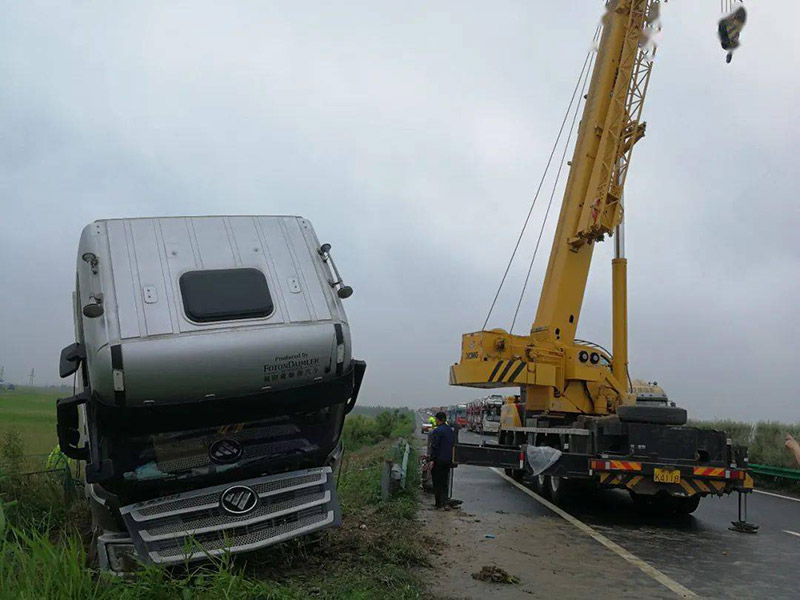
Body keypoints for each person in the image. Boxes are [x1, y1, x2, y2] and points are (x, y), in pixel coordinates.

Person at [429, 411, 455, 509]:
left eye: (436, 419)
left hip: (439, 460)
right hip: (448, 460)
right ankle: (445, 501)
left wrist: (432, 459)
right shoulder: (450, 430)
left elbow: (435, 446)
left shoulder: (437, 431)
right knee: (444, 481)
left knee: (437, 481)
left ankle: (438, 503)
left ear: (438, 420)